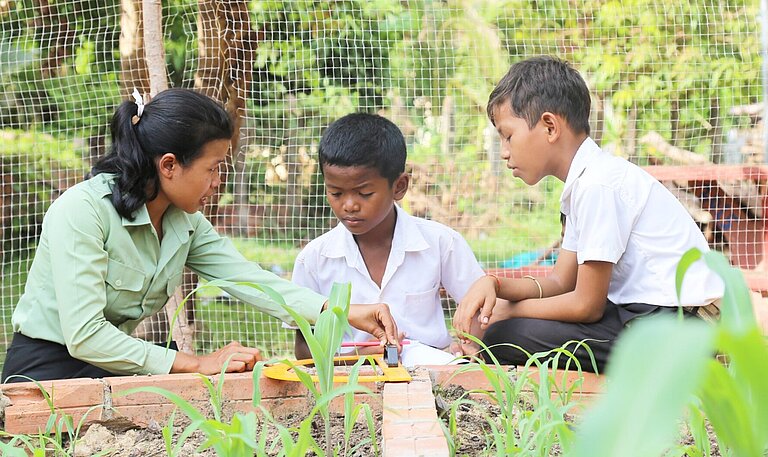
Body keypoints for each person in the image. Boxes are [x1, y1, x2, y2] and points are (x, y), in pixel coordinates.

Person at [2, 89, 399, 383]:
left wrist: (348, 311)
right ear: (170, 165)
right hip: (45, 372)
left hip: (116, 365)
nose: (217, 182)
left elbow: (253, 282)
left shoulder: (184, 222)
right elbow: (85, 336)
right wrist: (197, 362)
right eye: (212, 168)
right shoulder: (82, 212)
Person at [452, 56, 723, 372]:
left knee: (505, 336)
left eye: (508, 135)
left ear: (550, 126)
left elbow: (586, 305)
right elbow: (560, 282)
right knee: (506, 328)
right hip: (647, 317)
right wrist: (496, 286)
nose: (505, 151)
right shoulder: (585, 182)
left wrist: (509, 313)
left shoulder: (598, 184)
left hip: (678, 328)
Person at [290, 113, 485, 366]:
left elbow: (480, 306)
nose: (349, 205)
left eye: (364, 193)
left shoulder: (440, 243)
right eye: (335, 193)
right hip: (350, 383)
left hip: (433, 372)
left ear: (399, 186)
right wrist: (361, 358)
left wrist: (470, 342)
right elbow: (304, 349)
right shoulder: (313, 260)